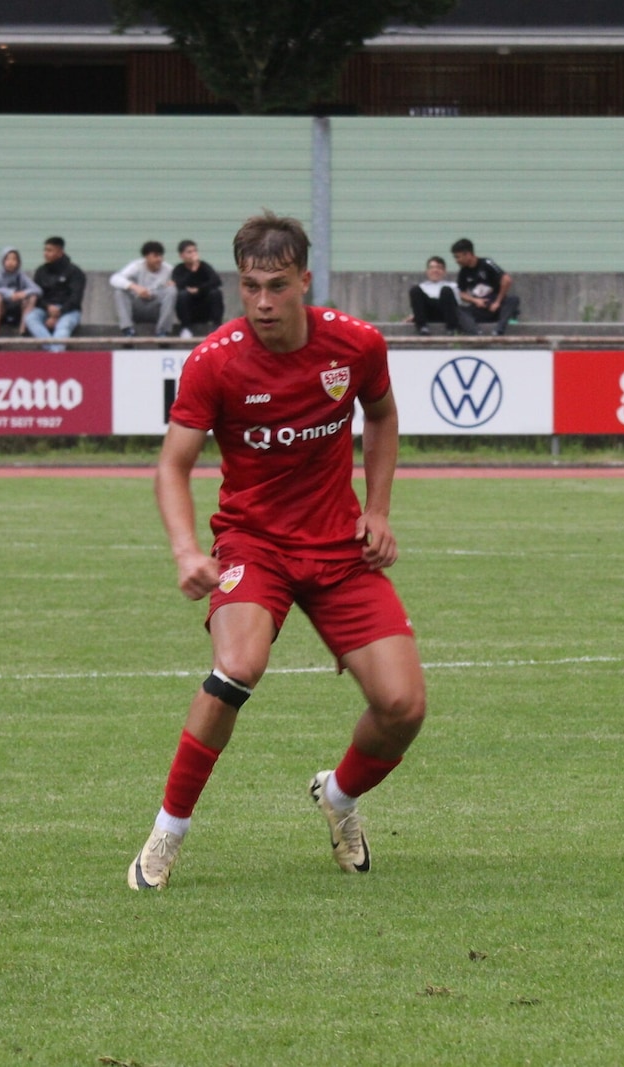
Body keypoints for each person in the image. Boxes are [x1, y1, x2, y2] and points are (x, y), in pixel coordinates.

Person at [128, 211, 426, 890]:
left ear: (304, 281)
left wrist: (377, 509)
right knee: (237, 664)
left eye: (277, 286)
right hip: (253, 543)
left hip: (339, 547)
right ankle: (168, 831)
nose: (263, 302)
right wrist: (184, 551)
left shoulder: (355, 345)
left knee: (404, 707)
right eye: (251, 286)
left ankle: (339, 798)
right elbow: (172, 464)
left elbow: (380, 415)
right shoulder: (216, 360)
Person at [25, 236, 86, 352]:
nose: (45, 254)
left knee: (63, 326)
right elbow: (37, 295)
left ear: (60, 252)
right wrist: (48, 307)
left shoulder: (75, 272)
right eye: (45, 250)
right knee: (30, 318)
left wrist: (58, 313)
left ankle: (54, 357)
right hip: (46, 309)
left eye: (49, 250)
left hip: (69, 311)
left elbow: (75, 298)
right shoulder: (40, 271)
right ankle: (54, 354)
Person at [450, 237, 520, 336]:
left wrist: (497, 302)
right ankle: (476, 333)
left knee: (513, 300)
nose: (456, 260)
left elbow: (507, 280)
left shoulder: (486, 263)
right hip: (481, 308)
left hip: (496, 307)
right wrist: (475, 301)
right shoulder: (463, 272)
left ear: (468, 254)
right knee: (458, 310)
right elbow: (461, 293)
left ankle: (498, 331)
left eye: (458, 257)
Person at [109, 240, 177, 338]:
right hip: (137, 307)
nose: (159, 259)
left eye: (161, 256)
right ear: (146, 257)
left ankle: (163, 331)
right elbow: (114, 279)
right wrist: (135, 287)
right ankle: (128, 330)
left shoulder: (168, 269)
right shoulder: (137, 266)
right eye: (155, 256)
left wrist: (175, 283)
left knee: (172, 291)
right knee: (120, 292)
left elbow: (182, 282)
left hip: (156, 309)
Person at [171, 239, 224, 339]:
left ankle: (217, 326)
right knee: (182, 295)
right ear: (181, 255)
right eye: (189, 252)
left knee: (216, 293)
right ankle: (185, 328)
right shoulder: (179, 269)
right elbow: (179, 284)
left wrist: (199, 289)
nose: (193, 254)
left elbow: (216, 281)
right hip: (189, 310)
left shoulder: (204, 266)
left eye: (195, 251)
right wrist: (193, 270)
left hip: (204, 307)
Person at [0, 247, 42, 337]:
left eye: (14, 259)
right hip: (2, 309)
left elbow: (38, 290)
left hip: (17, 309)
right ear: (3, 261)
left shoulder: (21, 276)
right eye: (7, 259)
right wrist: (8, 293)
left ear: (18, 262)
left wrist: (23, 293)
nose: (10, 262)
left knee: (32, 297)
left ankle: (22, 331)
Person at [407, 255, 460, 335]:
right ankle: (422, 327)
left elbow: (457, 306)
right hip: (428, 314)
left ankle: (451, 329)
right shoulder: (421, 287)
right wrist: (414, 315)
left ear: (444, 271)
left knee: (446, 290)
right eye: (431, 268)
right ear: (427, 271)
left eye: (439, 268)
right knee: (415, 290)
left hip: (445, 313)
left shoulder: (452, 286)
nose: (435, 270)